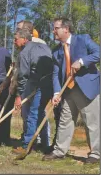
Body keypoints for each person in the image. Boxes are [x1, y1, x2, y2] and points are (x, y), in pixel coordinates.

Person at [42, 18, 100, 164]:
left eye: (56, 28)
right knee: (65, 120)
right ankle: (59, 151)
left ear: (66, 29)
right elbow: (56, 74)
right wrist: (56, 93)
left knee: (91, 122)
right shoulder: (56, 51)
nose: (53, 31)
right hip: (67, 90)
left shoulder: (83, 39)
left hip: (87, 88)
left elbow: (98, 52)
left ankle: (95, 154)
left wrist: (81, 62)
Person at [11, 29, 53, 155]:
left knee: (32, 114)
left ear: (24, 39)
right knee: (40, 112)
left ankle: (26, 145)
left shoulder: (24, 53)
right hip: (50, 84)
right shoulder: (44, 47)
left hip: (38, 84)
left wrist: (18, 95)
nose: (14, 42)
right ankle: (45, 144)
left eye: (16, 39)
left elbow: (23, 76)